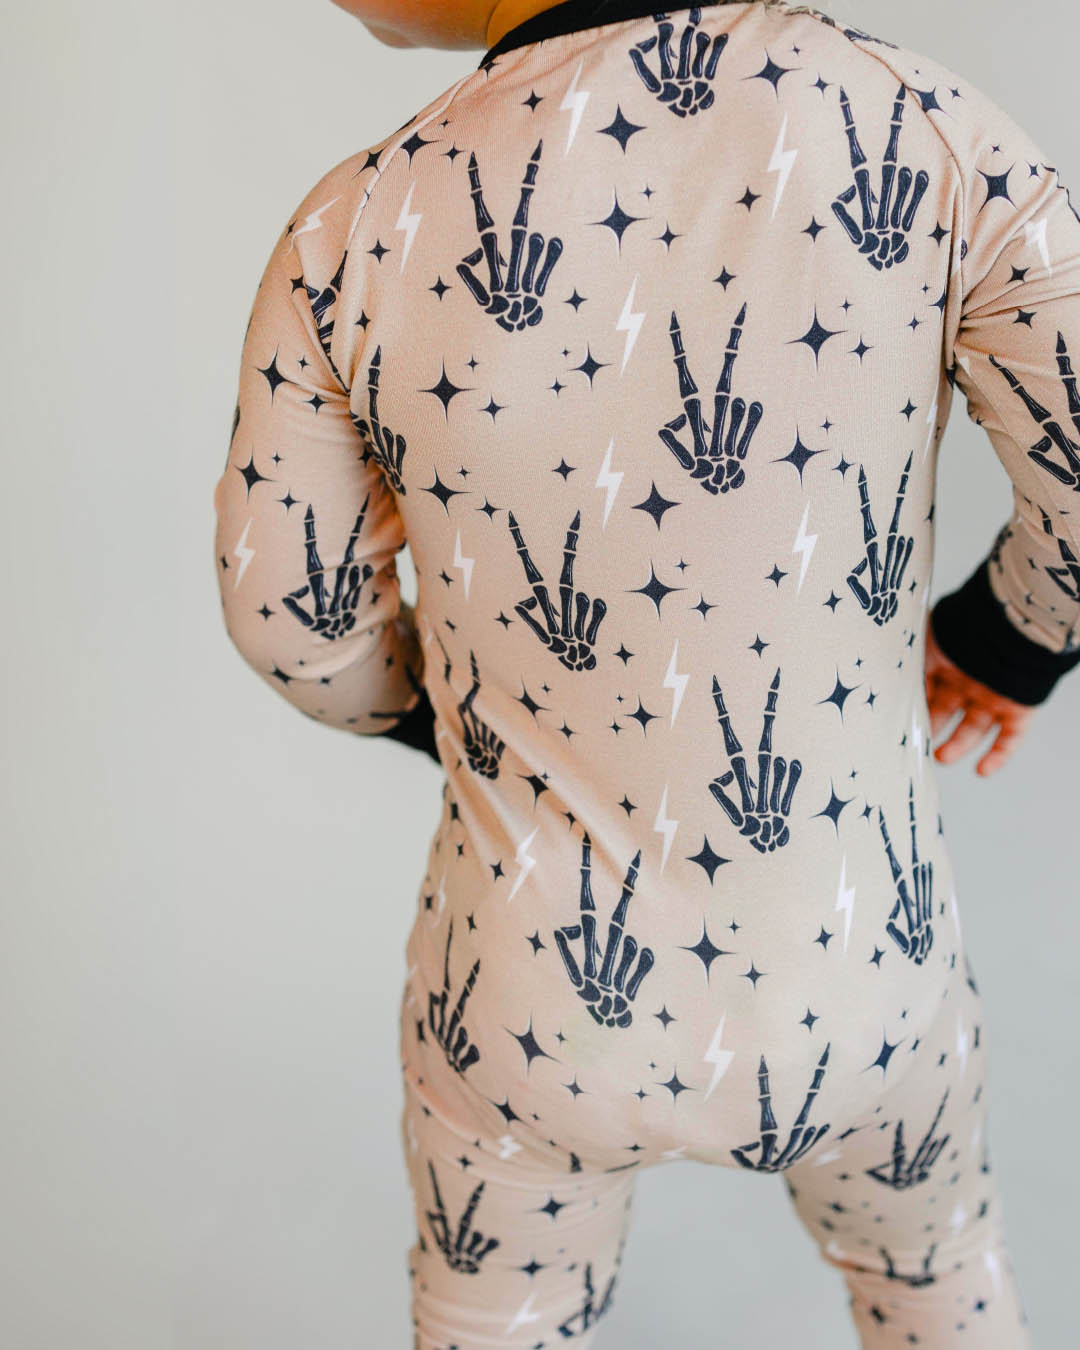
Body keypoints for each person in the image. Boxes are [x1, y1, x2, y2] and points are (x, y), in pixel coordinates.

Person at [211, 1, 1080, 1343]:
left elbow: (288, 616)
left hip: (524, 988)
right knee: (939, 1280)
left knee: (497, 1314)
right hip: (863, 962)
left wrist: (468, 719)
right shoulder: (920, 126)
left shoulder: (356, 226)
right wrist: (1004, 638)